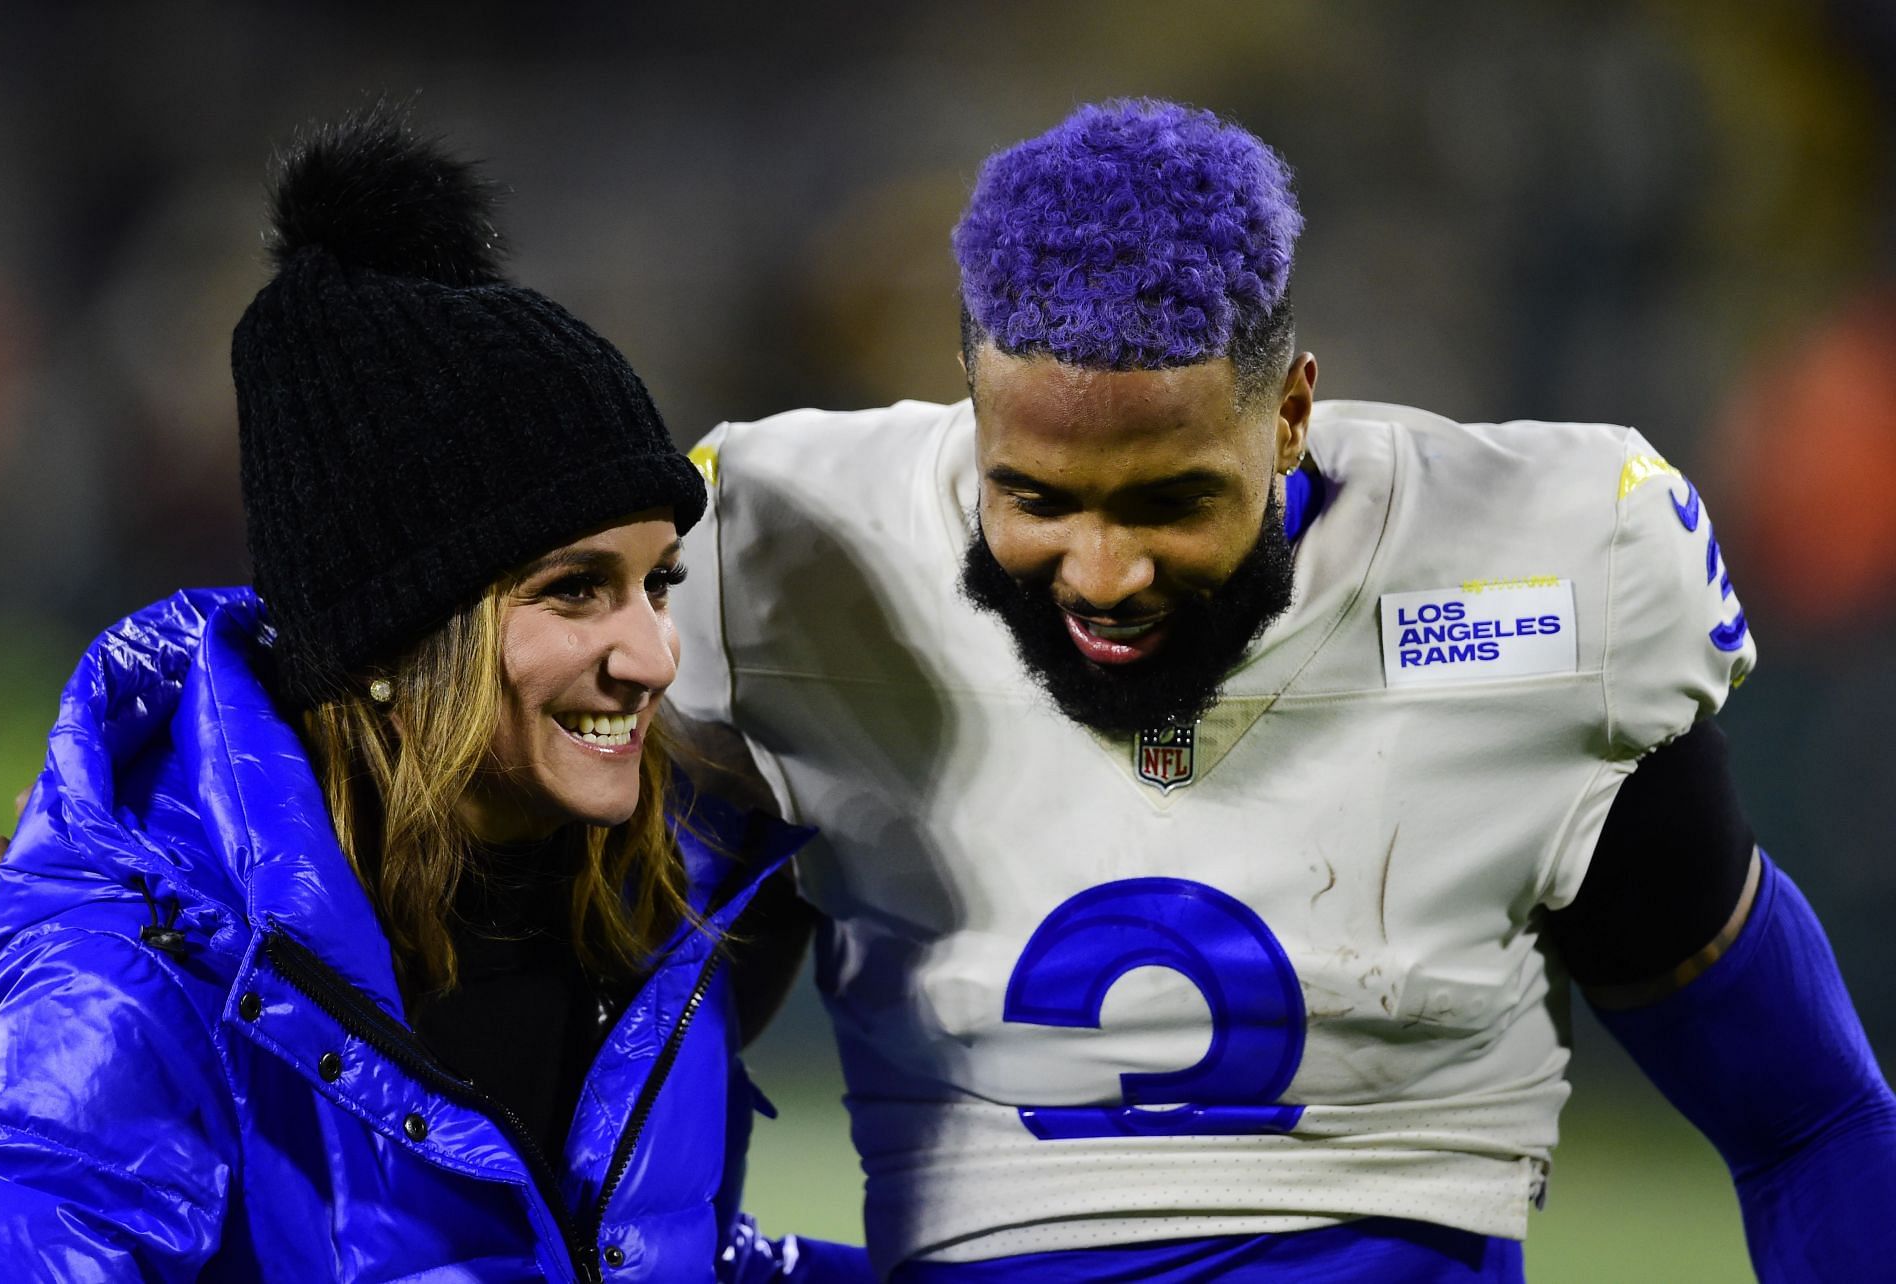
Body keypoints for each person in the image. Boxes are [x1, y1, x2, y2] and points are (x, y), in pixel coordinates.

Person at [663, 100, 1896, 1279]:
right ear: (972, 400)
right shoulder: (791, 563)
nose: (1102, 575)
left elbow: (1809, 1120)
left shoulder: (1548, 581)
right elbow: (627, 1093)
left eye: (1170, 500)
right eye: (1035, 498)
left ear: (1292, 411)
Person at [0, 110, 862, 1283]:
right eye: (576, 591)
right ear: (397, 634)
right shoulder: (128, 987)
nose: (652, 655)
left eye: (658, 584)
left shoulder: (658, 892)